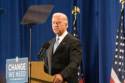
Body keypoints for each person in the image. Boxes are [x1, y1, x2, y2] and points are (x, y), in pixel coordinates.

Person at [44, 12, 82, 83]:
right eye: (53, 23)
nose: (55, 25)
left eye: (58, 22)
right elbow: (47, 65)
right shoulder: (50, 43)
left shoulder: (74, 42)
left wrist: (62, 75)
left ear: (66, 25)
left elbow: (74, 63)